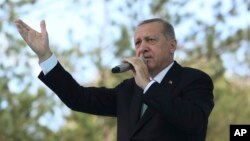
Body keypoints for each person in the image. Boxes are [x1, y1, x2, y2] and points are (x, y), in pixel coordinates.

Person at [15, 18, 214, 141]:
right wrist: (46, 56)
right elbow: (79, 98)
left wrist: (148, 85)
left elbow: (193, 121)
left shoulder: (194, 80)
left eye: (150, 40)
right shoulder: (128, 89)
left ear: (172, 46)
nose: (142, 47)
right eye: (138, 42)